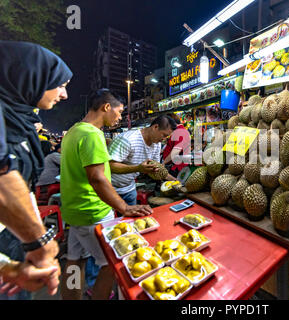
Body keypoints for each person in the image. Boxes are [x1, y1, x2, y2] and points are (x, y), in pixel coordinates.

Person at [59, 88, 153, 300]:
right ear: (106, 107)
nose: (120, 116)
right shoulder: (93, 134)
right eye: (119, 111)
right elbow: (97, 178)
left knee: (75, 261)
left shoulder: (74, 131)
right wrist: (124, 207)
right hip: (93, 212)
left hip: (74, 212)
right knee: (112, 264)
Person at [0, 40, 73, 299]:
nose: (64, 95)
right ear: (31, 77)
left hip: (14, 241)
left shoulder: (19, 120)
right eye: (60, 85)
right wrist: (38, 242)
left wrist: (7, 267)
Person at [109, 115, 178, 206]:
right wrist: (138, 168)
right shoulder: (128, 139)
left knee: (131, 220)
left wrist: (177, 182)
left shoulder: (156, 144)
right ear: (155, 127)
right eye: (164, 135)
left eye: (167, 137)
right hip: (109, 190)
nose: (164, 139)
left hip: (129, 189)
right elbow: (110, 165)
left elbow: (157, 170)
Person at [162, 113, 192, 179]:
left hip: (178, 168)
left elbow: (176, 151)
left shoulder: (180, 132)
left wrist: (164, 162)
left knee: (175, 185)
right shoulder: (178, 131)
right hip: (175, 166)